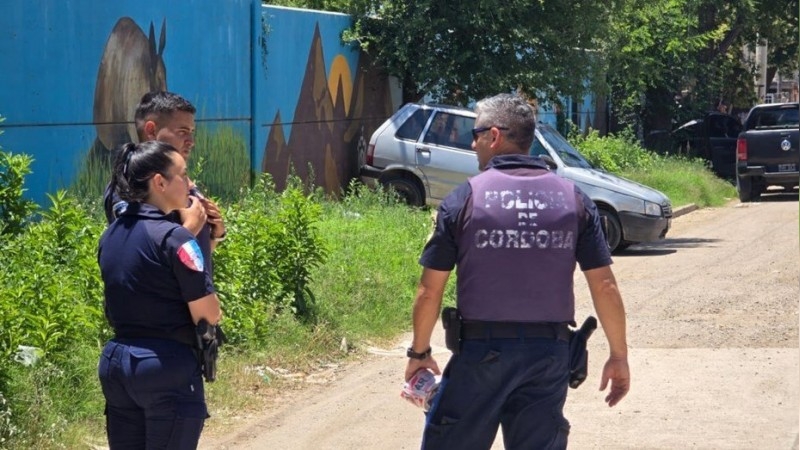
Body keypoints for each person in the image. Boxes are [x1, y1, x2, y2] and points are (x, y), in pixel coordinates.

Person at [404, 93, 630, 449]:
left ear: (494, 136)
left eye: (475, 133)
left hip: (480, 356)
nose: (472, 142)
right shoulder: (573, 198)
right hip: (548, 358)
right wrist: (618, 356)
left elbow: (429, 291)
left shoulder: (464, 199)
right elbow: (605, 287)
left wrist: (419, 354)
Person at [97, 140, 222, 449]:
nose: (190, 184)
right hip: (166, 368)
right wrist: (193, 237)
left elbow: (150, 276)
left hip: (117, 364)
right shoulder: (176, 238)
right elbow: (208, 313)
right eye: (184, 174)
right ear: (160, 182)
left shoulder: (111, 232)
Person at [102, 91, 226, 273]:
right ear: (151, 130)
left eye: (192, 132)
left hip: (195, 299)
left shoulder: (183, 183)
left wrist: (215, 235)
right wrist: (189, 229)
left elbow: (194, 258)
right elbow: (136, 257)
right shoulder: (129, 187)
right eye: (182, 132)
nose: (191, 141)